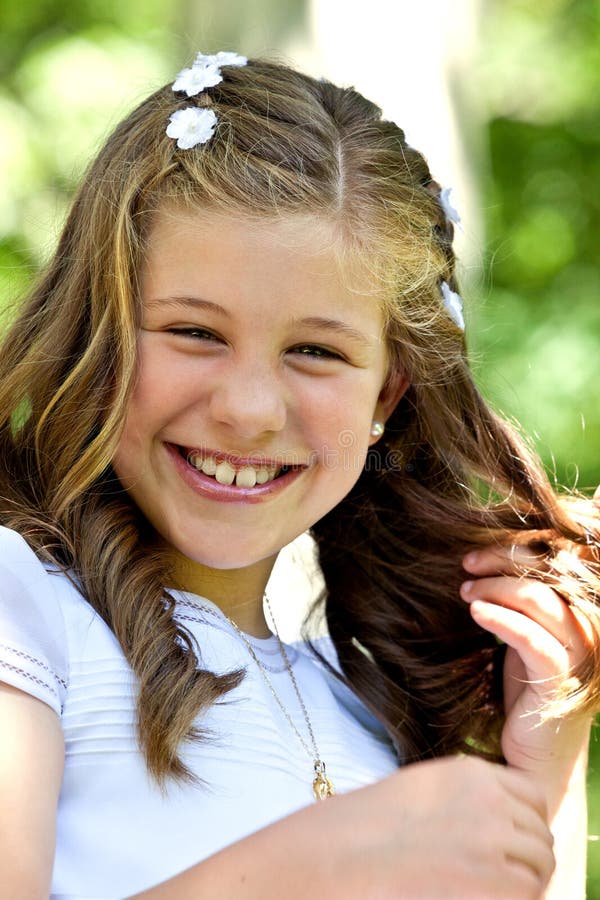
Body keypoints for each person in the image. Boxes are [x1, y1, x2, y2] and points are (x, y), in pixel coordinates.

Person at [0, 51, 598, 900]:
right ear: (102, 332)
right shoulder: (26, 613)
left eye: (316, 352)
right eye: (194, 332)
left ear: (386, 391)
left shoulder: (370, 712)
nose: (248, 409)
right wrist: (322, 863)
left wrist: (546, 760)